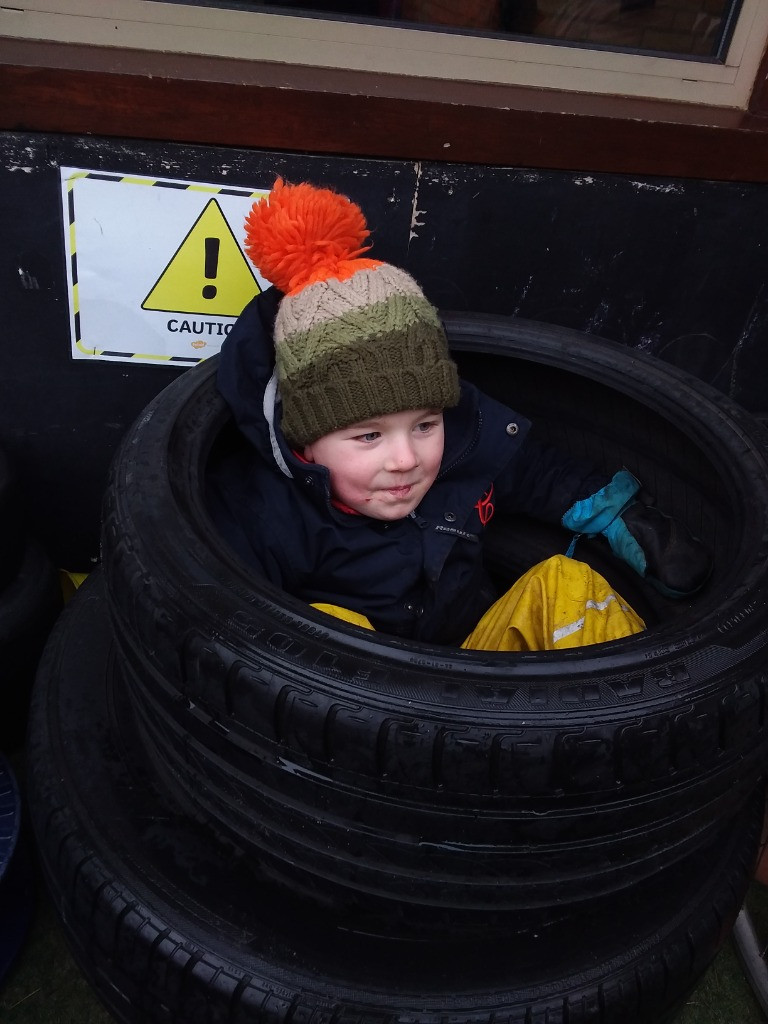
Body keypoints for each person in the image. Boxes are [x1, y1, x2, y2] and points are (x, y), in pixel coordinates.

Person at [207, 178, 710, 651]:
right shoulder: (267, 513)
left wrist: (624, 517)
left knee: (569, 582)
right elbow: (221, 615)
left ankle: (615, 725)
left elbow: (539, 473)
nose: (406, 458)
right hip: (354, 704)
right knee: (330, 626)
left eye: (424, 425)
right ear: (306, 441)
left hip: (478, 670)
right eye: (369, 436)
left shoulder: (464, 449)